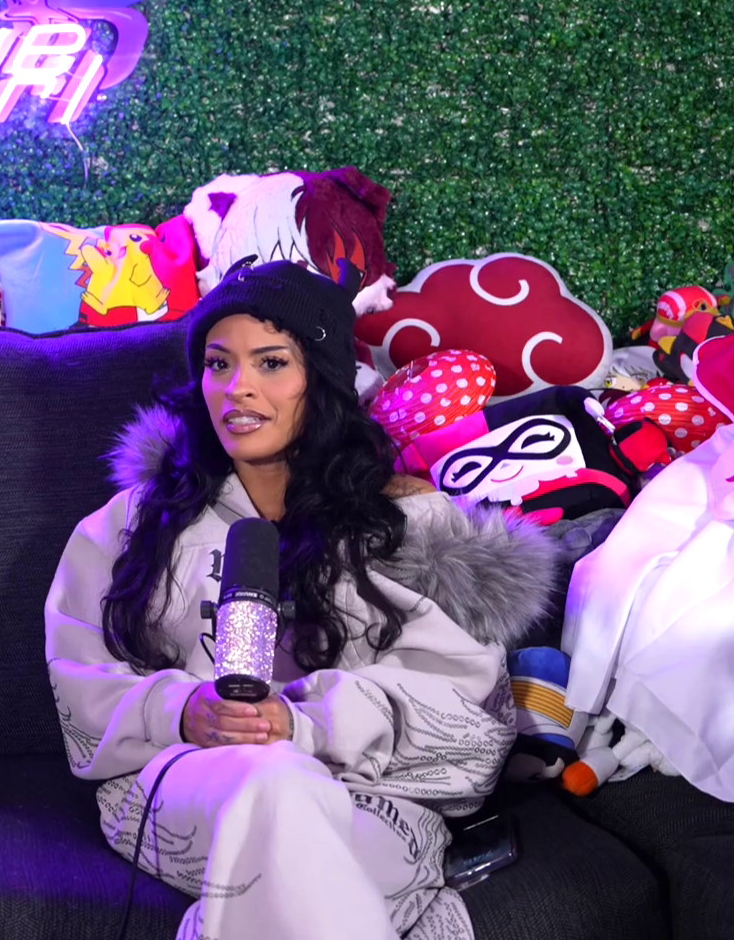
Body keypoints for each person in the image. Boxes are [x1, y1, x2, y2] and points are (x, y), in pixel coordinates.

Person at [45, 259, 559, 940]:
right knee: (277, 790)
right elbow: (82, 681)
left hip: (373, 800)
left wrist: (302, 724)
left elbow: (468, 719)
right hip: (189, 784)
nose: (238, 387)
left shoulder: (404, 528)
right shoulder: (129, 526)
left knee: (304, 856)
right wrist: (184, 711)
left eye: (271, 363)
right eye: (219, 364)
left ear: (323, 378)